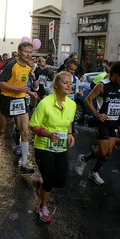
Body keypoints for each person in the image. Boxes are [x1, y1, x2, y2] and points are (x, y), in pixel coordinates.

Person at [75, 61, 120, 185]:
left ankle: (94, 172)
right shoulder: (102, 85)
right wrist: (96, 114)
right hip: (102, 122)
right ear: (113, 73)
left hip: (114, 121)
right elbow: (88, 99)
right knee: (102, 151)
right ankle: (84, 158)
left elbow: (116, 103)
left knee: (108, 152)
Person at [30, 71, 76, 223]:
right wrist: (48, 134)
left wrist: (70, 133)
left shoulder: (72, 104)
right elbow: (33, 125)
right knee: (50, 180)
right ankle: (42, 207)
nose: (69, 85)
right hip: (43, 145)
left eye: (70, 83)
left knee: (61, 181)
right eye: (65, 82)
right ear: (56, 86)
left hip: (60, 147)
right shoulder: (45, 103)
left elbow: (69, 121)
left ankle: (40, 185)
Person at [0, 42, 36, 173]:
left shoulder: (28, 68)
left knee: (25, 131)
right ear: (19, 52)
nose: (28, 55)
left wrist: (29, 92)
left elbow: (21, 84)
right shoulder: (11, 65)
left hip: (20, 100)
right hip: (7, 99)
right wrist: (17, 88)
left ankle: (25, 163)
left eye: (30, 52)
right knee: (2, 129)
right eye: (26, 52)